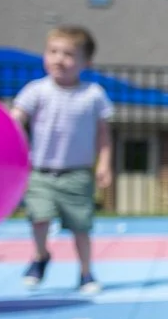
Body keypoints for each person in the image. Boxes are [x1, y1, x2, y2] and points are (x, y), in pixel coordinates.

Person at [11, 25, 114, 294]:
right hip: (41, 171)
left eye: (68, 54)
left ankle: (86, 272)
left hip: (77, 173)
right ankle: (41, 255)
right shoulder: (36, 90)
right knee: (39, 218)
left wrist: (104, 163)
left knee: (81, 227)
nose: (59, 59)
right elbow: (16, 119)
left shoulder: (93, 94)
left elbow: (103, 135)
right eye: (53, 51)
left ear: (85, 62)